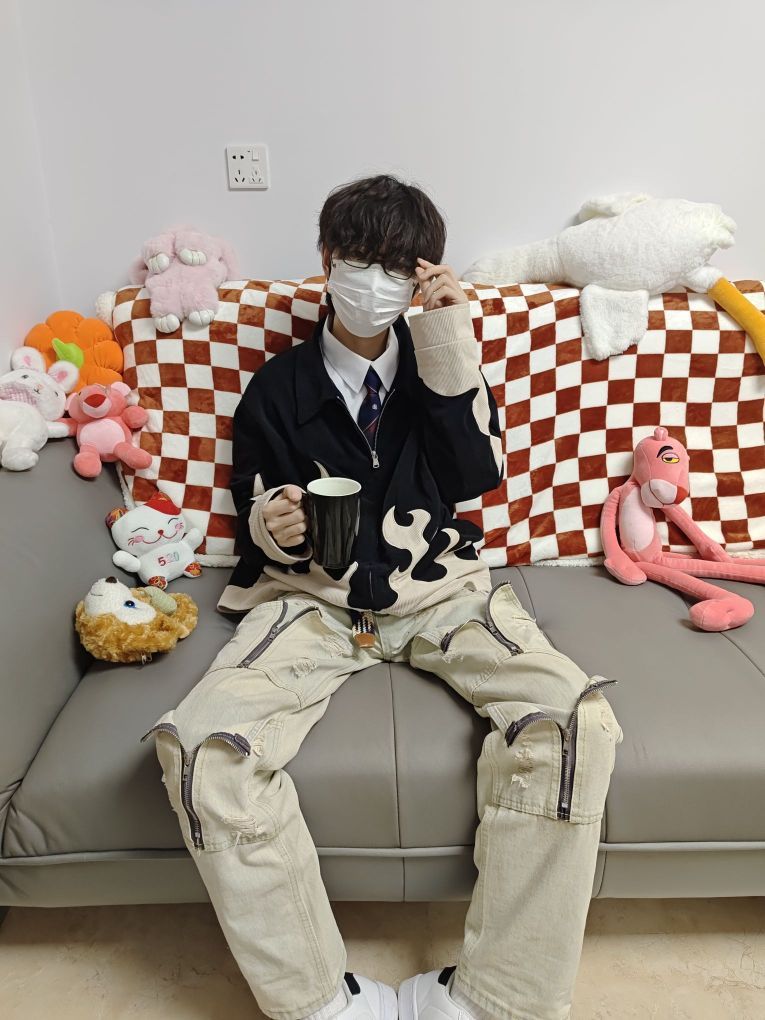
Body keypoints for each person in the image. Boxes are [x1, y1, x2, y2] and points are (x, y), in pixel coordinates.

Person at [142, 174, 624, 1020]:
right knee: (202, 751)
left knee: (574, 725)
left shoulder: (443, 363)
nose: (374, 281)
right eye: (358, 260)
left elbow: (474, 476)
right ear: (326, 259)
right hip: (311, 600)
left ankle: (496, 1001)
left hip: (441, 590)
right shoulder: (277, 386)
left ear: (421, 275)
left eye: (397, 266)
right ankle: (318, 1004)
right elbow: (252, 499)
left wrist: (447, 340)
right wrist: (272, 523)